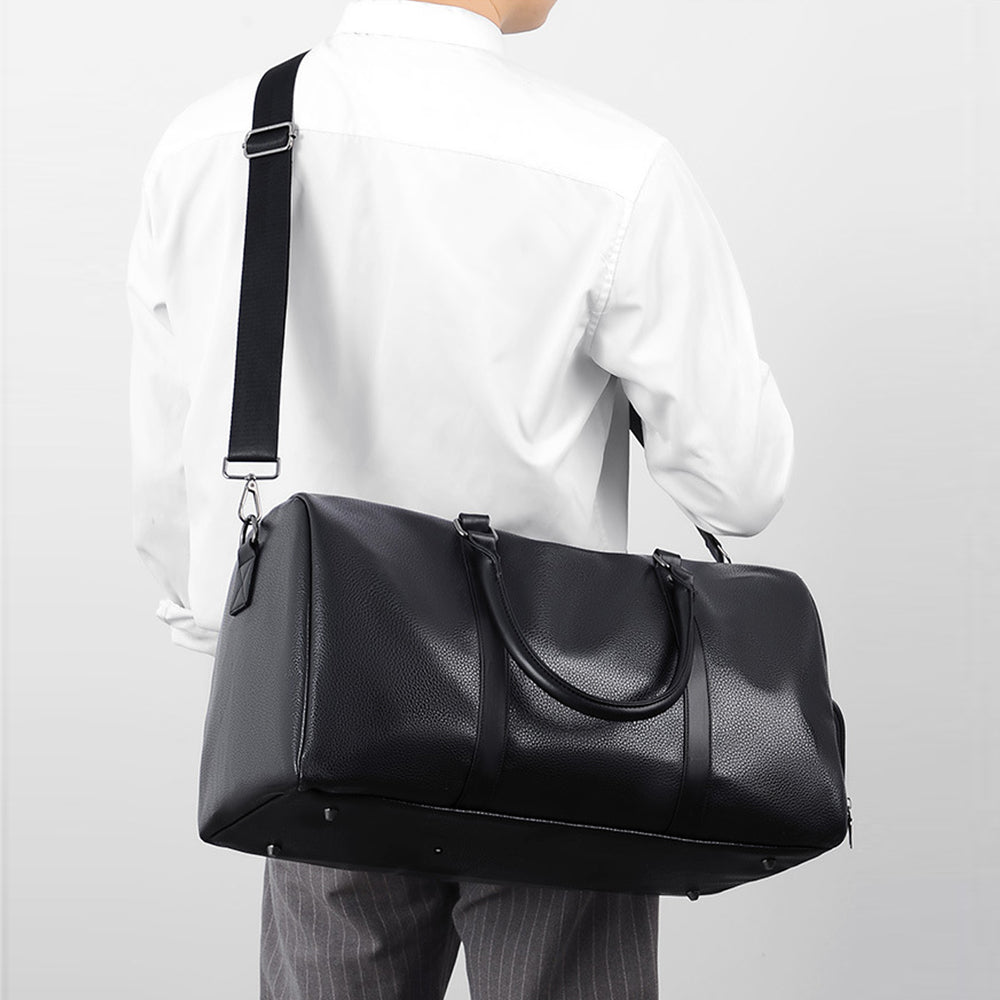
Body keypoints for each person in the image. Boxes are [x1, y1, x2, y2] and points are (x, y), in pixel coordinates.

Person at [126, 0, 795, 996]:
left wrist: (224, 630)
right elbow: (739, 487)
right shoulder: (613, 167)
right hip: (566, 728)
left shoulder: (213, 140)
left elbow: (168, 470)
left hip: (326, 718)